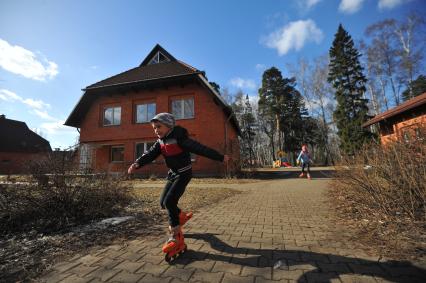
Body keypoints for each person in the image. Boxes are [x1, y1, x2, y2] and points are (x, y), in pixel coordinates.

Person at [127, 112, 229, 250]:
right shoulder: (160, 142)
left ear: (169, 126)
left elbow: (200, 149)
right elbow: (149, 154)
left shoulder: (180, 138)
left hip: (184, 174)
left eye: (159, 126)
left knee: (170, 202)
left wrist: (220, 157)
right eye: (154, 128)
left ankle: (176, 237)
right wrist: (137, 164)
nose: (156, 130)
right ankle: (180, 217)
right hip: (173, 174)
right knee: (163, 203)